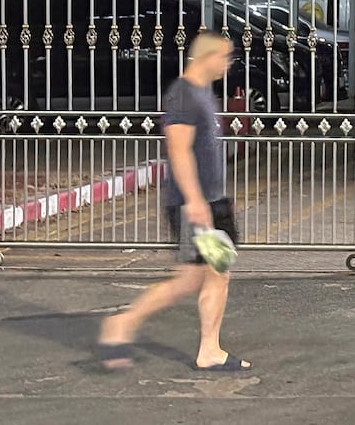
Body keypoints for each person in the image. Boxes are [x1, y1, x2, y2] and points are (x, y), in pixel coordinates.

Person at [97, 32, 251, 372]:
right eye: (224, 57)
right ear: (206, 57)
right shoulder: (183, 95)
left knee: (216, 274)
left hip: (211, 201)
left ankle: (209, 348)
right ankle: (122, 324)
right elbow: (178, 150)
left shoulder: (201, 92)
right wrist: (196, 202)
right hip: (195, 204)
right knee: (191, 279)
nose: (228, 65)